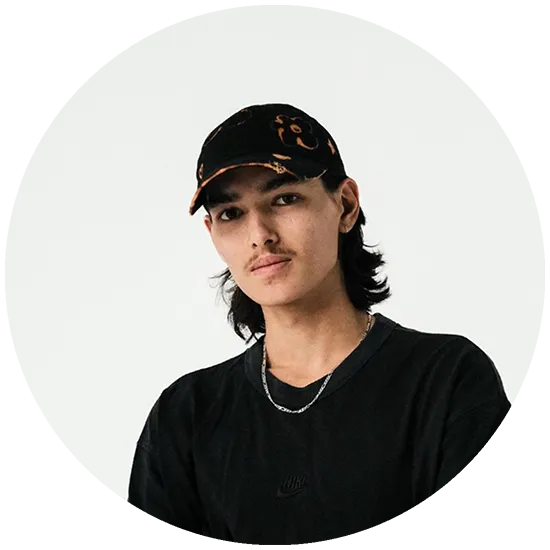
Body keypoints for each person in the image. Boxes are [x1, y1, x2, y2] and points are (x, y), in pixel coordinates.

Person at [127, 103, 512, 545]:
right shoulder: (186, 415)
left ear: (345, 205)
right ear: (212, 233)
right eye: (232, 213)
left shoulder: (446, 380)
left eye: (284, 199)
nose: (260, 234)